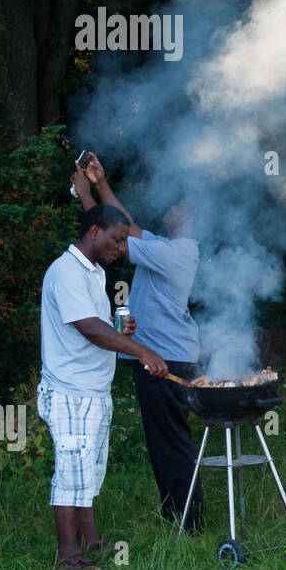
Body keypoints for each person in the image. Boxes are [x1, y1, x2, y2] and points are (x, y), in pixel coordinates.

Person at [74, 155, 203, 530]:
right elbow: (125, 226)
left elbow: (111, 236)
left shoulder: (177, 253)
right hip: (163, 357)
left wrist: (85, 193)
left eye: (181, 206)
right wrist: (98, 182)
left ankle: (185, 521)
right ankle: (183, 515)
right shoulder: (166, 246)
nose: (173, 206)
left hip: (165, 360)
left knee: (169, 443)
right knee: (169, 440)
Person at [39, 203, 168, 570]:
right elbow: (90, 330)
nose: (121, 248)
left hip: (93, 389)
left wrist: (118, 326)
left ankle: (90, 541)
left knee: (89, 472)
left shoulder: (93, 271)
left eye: (123, 240)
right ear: (94, 231)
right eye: (117, 239)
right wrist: (142, 351)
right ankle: (67, 556)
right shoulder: (65, 272)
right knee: (70, 472)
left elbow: (99, 325)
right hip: (70, 391)